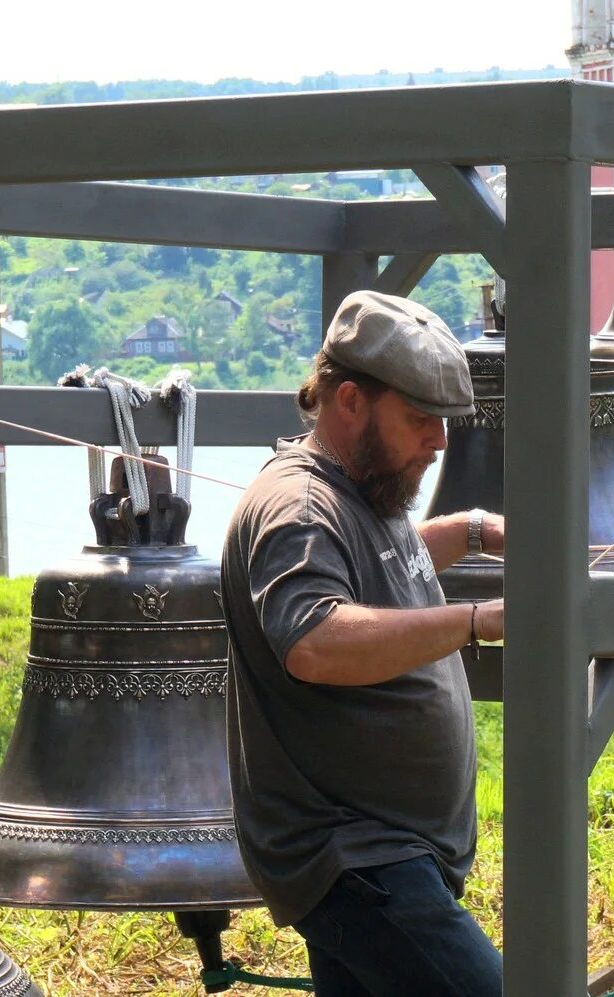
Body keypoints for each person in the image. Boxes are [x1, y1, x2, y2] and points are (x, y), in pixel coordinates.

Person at [220, 289, 506, 997]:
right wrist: (476, 620)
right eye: (419, 419)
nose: (439, 441)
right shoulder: (299, 506)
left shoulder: (363, 487)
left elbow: (393, 564)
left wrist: (473, 529)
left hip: (378, 855)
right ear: (349, 401)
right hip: (356, 856)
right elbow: (315, 639)